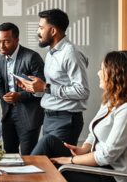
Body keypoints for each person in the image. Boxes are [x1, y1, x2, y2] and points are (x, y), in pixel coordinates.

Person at [31, 51, 127, 182]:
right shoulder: (112, 102)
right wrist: (83, 149)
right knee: (49, 141)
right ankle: (22, 174)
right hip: (99, 166)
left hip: (110, 175)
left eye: (102, 69)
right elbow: (93, 133)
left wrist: (71, 160)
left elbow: (107, 155)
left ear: (115, 74)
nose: (98, 73)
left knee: (53, 169)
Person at [18, 9, 89, 146]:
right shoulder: (52, 53)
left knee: (52, 164)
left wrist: (45, 87)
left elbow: (82, 91)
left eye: (41, 28)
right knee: (47, 164)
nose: (38, 32)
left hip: (65, 120)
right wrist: (35, 88)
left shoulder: (71, 54)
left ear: (53, 31)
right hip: (49, 118)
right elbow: (51, 88)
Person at [0, 22, 45, 155]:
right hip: (8, 113)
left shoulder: (32, 57)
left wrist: (20, 96)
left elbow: (41, 87)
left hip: (28, 114)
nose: (1, 45)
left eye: (6, 42)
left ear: (16, 41)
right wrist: (4, 100)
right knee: (8, 154)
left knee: (27, 156)